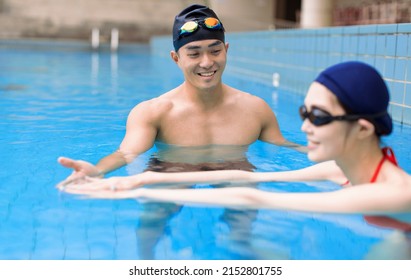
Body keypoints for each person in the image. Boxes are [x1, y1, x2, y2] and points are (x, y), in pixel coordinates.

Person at [57, 4, 304, 259]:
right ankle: (146, 263)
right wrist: (97, 171)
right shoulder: (154, 111)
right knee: (152, 220)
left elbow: (283, 145)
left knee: (245, 194)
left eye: (215, 51)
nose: (207, 63)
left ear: (226, 50)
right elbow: (126, 153)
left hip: (232, 167)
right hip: (173, 168)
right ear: (176, 58)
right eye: (194, 54)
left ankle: (240, 241)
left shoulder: (254, 109)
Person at [60, 61, 411, 231]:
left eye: (318, 116)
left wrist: (117, 194)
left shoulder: (396, 193)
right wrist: (136, 181)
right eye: (304, 112)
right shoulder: (343, 167)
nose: (304, 125)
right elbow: (253, 179)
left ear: (363, 128)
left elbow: (256, 197)